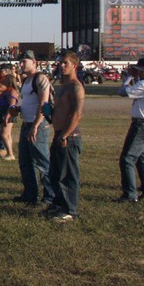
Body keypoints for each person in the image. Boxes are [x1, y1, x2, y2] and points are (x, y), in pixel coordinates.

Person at [45, 51, 85, 222]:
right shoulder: (63, 86)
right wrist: (49, 112)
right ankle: (59, 205)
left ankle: (70, 210)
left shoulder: (76, 87)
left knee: (67, 175)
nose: (61, 66)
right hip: (58, 134)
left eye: (65, 63)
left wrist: (65, 135)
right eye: (60, 63)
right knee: (55, 173)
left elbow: (77, 114)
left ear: (74, 65)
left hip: (69, 137)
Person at [13, 50, 55, 206]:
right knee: (25, 161)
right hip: (27, 124)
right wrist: (18, 110)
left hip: (38, 125)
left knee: (42, 161)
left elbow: (44, 105)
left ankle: (50, 196)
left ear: (34, 62)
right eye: (20, 62)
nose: (21, 64)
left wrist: (36, 125)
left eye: (24, 61)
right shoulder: (26, 81)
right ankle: (30, 194)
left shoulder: (40, 78)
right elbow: (29, 102)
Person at [115, 57, 144, 203]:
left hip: (141, 125)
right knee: (142, 158)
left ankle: (130, 194)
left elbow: (122, 91)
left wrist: (129, 77)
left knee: (127, 159)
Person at [0, 73, 20, 161]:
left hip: (8, 113)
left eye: (5, 79)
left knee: (4, 134)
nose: (3, 81)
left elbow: (12, 104)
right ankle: (10, 153)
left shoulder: (12, 91)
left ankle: (10, 154)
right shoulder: (7, 90)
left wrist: (7, 116)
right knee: (8, 134)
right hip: (5, 113)